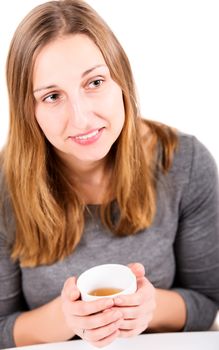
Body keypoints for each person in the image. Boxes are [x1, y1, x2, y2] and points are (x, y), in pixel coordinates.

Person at [0, 0, 219, 348]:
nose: (82, 118)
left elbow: (208, 304)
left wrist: (150, 308)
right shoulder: (4, 187)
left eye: (95, 82)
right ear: (29, 111)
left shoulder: (185, 163)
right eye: (53, 96)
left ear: (121, 80)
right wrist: (66, 317)